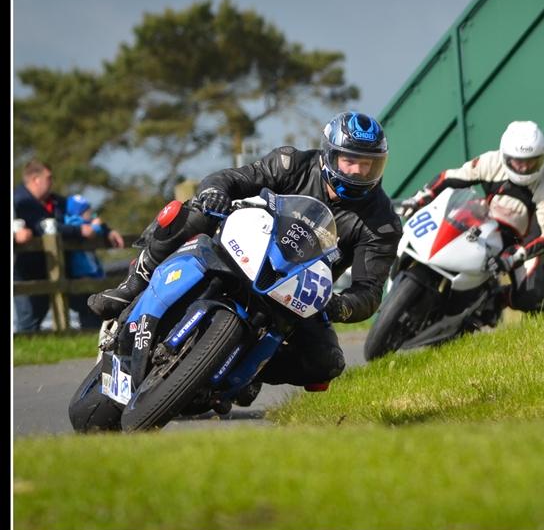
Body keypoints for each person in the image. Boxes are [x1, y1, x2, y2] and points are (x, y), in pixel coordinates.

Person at [88, 111, 402, 390]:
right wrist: (214, 194)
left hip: (296, 294)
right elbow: (230, 179)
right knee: (192, 212)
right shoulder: (291, 163)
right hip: (245, 246)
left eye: (368, 164)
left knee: (327, 363)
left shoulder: (383, 223)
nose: (359, 172)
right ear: (329, 156)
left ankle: (246, 372)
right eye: (350, 161)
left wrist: (341, 306)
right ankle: (132, 286)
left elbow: (369, 292)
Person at [399, 120, 544, 313]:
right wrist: (420, 197)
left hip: (518, 242)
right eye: (519, 161)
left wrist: (514, 256)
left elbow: (543, 234)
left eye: (531, 161)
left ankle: (495, 299)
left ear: (542, 156)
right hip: (482, 220)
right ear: (505, 156)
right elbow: (451, 177)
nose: (524, 168)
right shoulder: (491, 161)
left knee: (531, 298)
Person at [13, 160, 125, 332]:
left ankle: (93, 342)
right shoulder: (19, 202)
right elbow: (41, 227)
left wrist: (106, 230)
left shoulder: (55, 201)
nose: (52, 182)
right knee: (30, 319)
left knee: (87, 304)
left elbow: (84, 215)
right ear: (35, 179)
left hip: (63, 267)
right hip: (28, 271)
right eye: (48, 178)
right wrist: (79, 231)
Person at [62, 194, 112, 329]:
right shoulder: (73, 223)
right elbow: (89, 231)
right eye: (87, 211)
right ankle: (89, 330)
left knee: (97, 307)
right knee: (88, 310)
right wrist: (96, 226)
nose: (91, 214)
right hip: (81, 273)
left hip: (92, 273)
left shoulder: (85, 223)